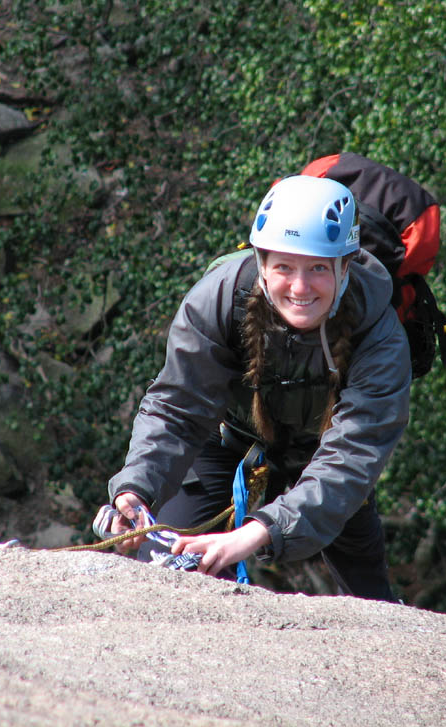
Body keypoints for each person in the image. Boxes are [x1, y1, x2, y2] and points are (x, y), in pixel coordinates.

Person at [102, 174, 412, 601]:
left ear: (347, 265)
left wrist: (256, 532)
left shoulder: (379, 333)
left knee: (371, 600)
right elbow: (178, 406)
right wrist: (136, 489)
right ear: (261, 263)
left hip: (326, 458)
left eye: (318, 267)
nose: (300, 287)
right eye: (283, 266)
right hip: (229, 440)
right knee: (169, 568)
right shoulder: (221, 296)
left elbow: (351, 457)